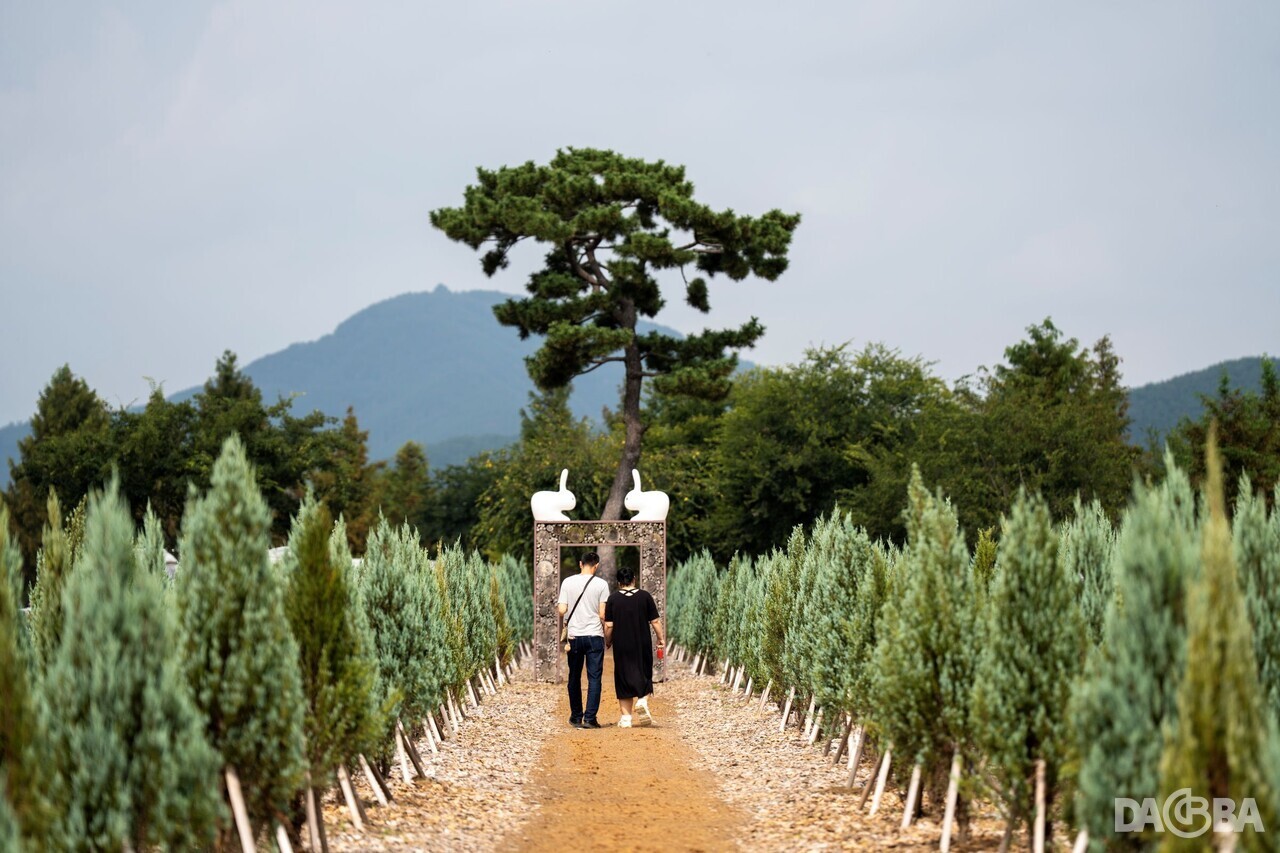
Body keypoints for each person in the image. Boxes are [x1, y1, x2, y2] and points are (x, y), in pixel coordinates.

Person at [603, 564, 665, 729]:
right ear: (634, 579)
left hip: (622, 643)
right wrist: (661, 638)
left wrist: (608, 641)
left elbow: (609, 625)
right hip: (642, 641)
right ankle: (643, 700)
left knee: (623, 675)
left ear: (618, 582)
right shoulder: (644, 596)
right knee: (643, 670)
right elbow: (655, 621)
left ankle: (626, 719)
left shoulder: (613, 599)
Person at [557, 552, 610, 729]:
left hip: (574, 637)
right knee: (594, 677)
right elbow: (603, 614)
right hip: (594, 635)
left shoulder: (567, 582)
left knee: (574, 676)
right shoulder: (602, 584)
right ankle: (590, 718)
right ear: (596, 566)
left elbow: (562, 610)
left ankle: (575, 716)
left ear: (580, 563)